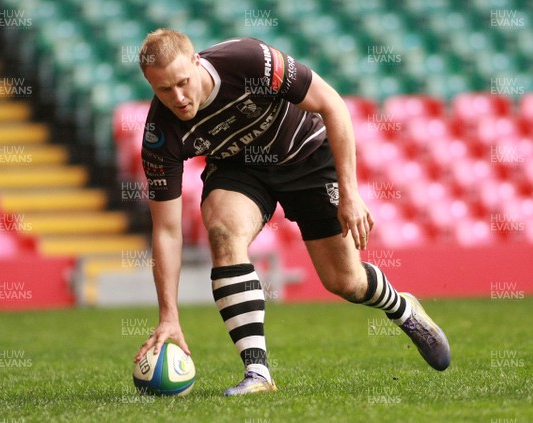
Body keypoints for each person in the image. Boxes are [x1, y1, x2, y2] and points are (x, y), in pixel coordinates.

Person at [133, 29, 450, 396]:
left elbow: (333, 104)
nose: (178, 98)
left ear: (196, 61)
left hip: (306, 155)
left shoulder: (249, 61)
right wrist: (168, 315)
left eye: (182, 83)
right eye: (163, 90)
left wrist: (350, 193)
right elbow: (168, 231)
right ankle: (258, 373)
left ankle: (402, 308)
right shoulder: (160, 135)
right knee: (222, 231)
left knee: (345, 282)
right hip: (242, 169)